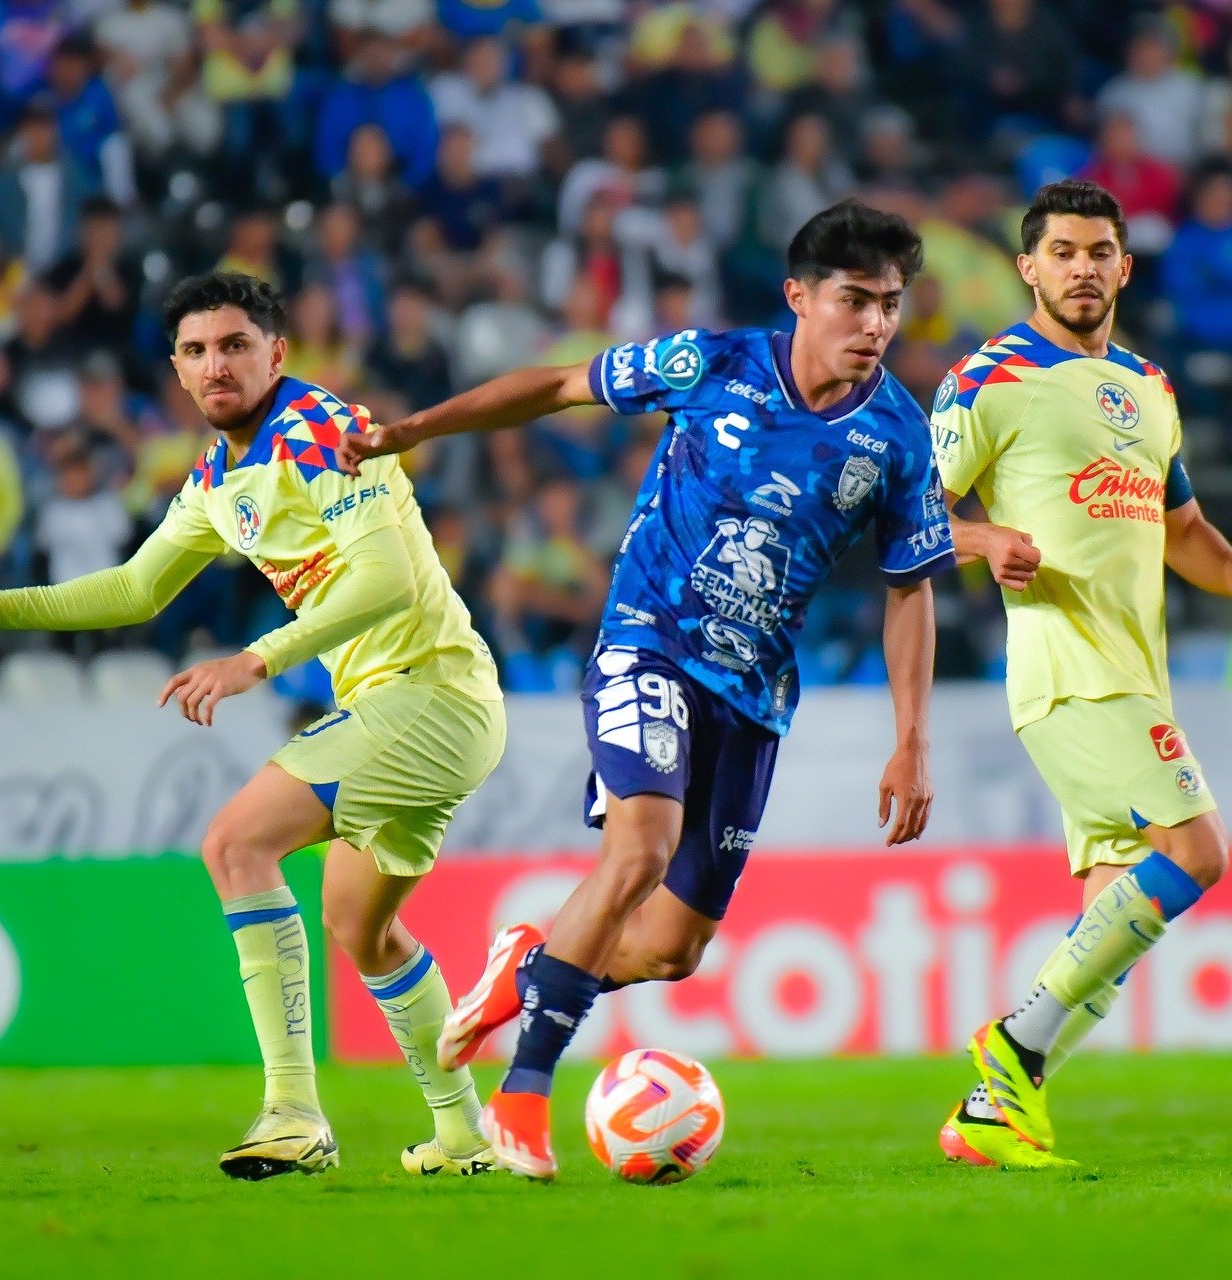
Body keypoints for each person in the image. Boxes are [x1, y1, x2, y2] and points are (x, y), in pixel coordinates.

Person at [342, 200, 954, 1179]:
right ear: (799, 296)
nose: (875, 324)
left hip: (752, 696)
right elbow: (552, 384)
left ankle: (528, 965)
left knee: (670, 947)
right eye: (854, 300)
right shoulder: (708, 363)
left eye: (889, 304)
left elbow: (909, 586)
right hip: (647, 643)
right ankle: (522, 1097)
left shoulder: (897, 437)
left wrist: (911, 736)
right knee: (640, 843)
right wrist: (408, 431)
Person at [0, 272, 507, 1181]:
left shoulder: (324, 431)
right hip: (408, 708)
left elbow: (390, 584)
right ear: (176, 370)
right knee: (361, 929)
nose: (217, 365)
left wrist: (258, 659)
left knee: (234, 845)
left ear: (276, 354)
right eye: (197, 351)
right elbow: (136, 587)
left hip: (429, 694)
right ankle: (465, 1136)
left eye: (235, 345)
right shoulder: (218, 479)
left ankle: (293, 1111)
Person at [927, 180, 1232, 1169]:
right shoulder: (987, 379)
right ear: (1027, 267)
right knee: (1198, 851)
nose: (1081, 266)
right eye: (1061, 251)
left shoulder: (1148, 388)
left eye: (1098, 250)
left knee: (1112, 926)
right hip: (1064, 670)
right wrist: (980, 537)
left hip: (1134, 674)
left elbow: (1182, 531)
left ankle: (990, 1113)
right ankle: (1012, 1041)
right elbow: (902, 521)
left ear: (1124, 266)